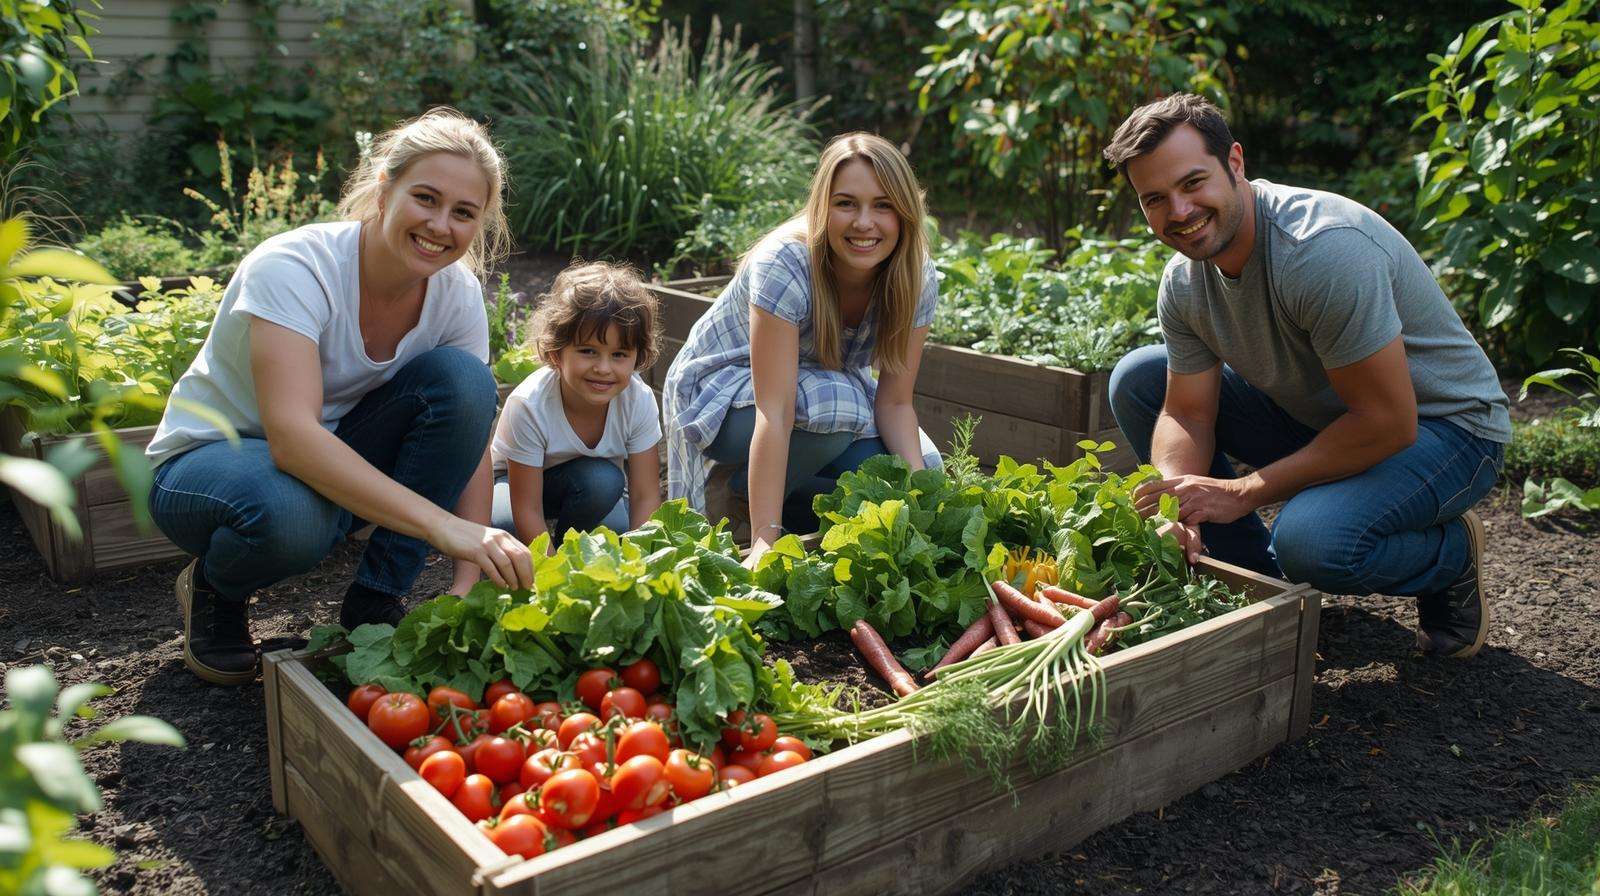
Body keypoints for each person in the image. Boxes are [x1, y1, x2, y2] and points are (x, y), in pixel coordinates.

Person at [1101, 94, 1510, 659]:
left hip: (1446, 430)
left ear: (1236, 163)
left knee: (1313, 541)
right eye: (1155, 199)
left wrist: (1244, 491)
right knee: (1140, 377)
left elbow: (1389, 422)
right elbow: (1185, 411)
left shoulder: (1320, 251)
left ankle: (1451, 557)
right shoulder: (1185, 281)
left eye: (1193, 182)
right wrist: (1179, 505)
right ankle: (1255, 586)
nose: (1179, 211)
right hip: (1331, 415)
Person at [146, 108, 535, 685]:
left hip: (329, 457)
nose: (440, 225)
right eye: (425, 198)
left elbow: (470, 430)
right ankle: (214, 588)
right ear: (384, 189)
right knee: (291, 516)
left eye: (463, 213)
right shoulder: (296, 267)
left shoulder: (455, 294)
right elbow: (294, 439)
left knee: (464, 380)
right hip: (211, 463)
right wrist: (443, 526)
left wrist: (466, 579)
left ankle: (376, 600)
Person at [662, 132, 943, 566]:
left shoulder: (915, 275)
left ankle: (787, 504)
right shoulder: (785, 262)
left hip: (821, 390)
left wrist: (927, 505)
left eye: (882, 205)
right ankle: (735, 498)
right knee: (837, 408)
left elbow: (895, 402)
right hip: (723, 390)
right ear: (822, 206)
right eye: (846, 203)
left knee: (922, 468)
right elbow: (774, 411)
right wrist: (764, 544)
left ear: (905, 212)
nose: (864, 222)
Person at [488, 262, 663, 547]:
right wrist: (552, 576)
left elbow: (646, 496)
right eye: (588, 351)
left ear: (637, 356)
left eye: (619, 354)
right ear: (557, 353)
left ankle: (572, 545)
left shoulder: (637, 400)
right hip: (515, 484)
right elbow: (527, 509)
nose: (604, 368)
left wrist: (644, 560)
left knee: (609, 505)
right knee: (509, 526)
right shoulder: (530, 405)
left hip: (591, 484)